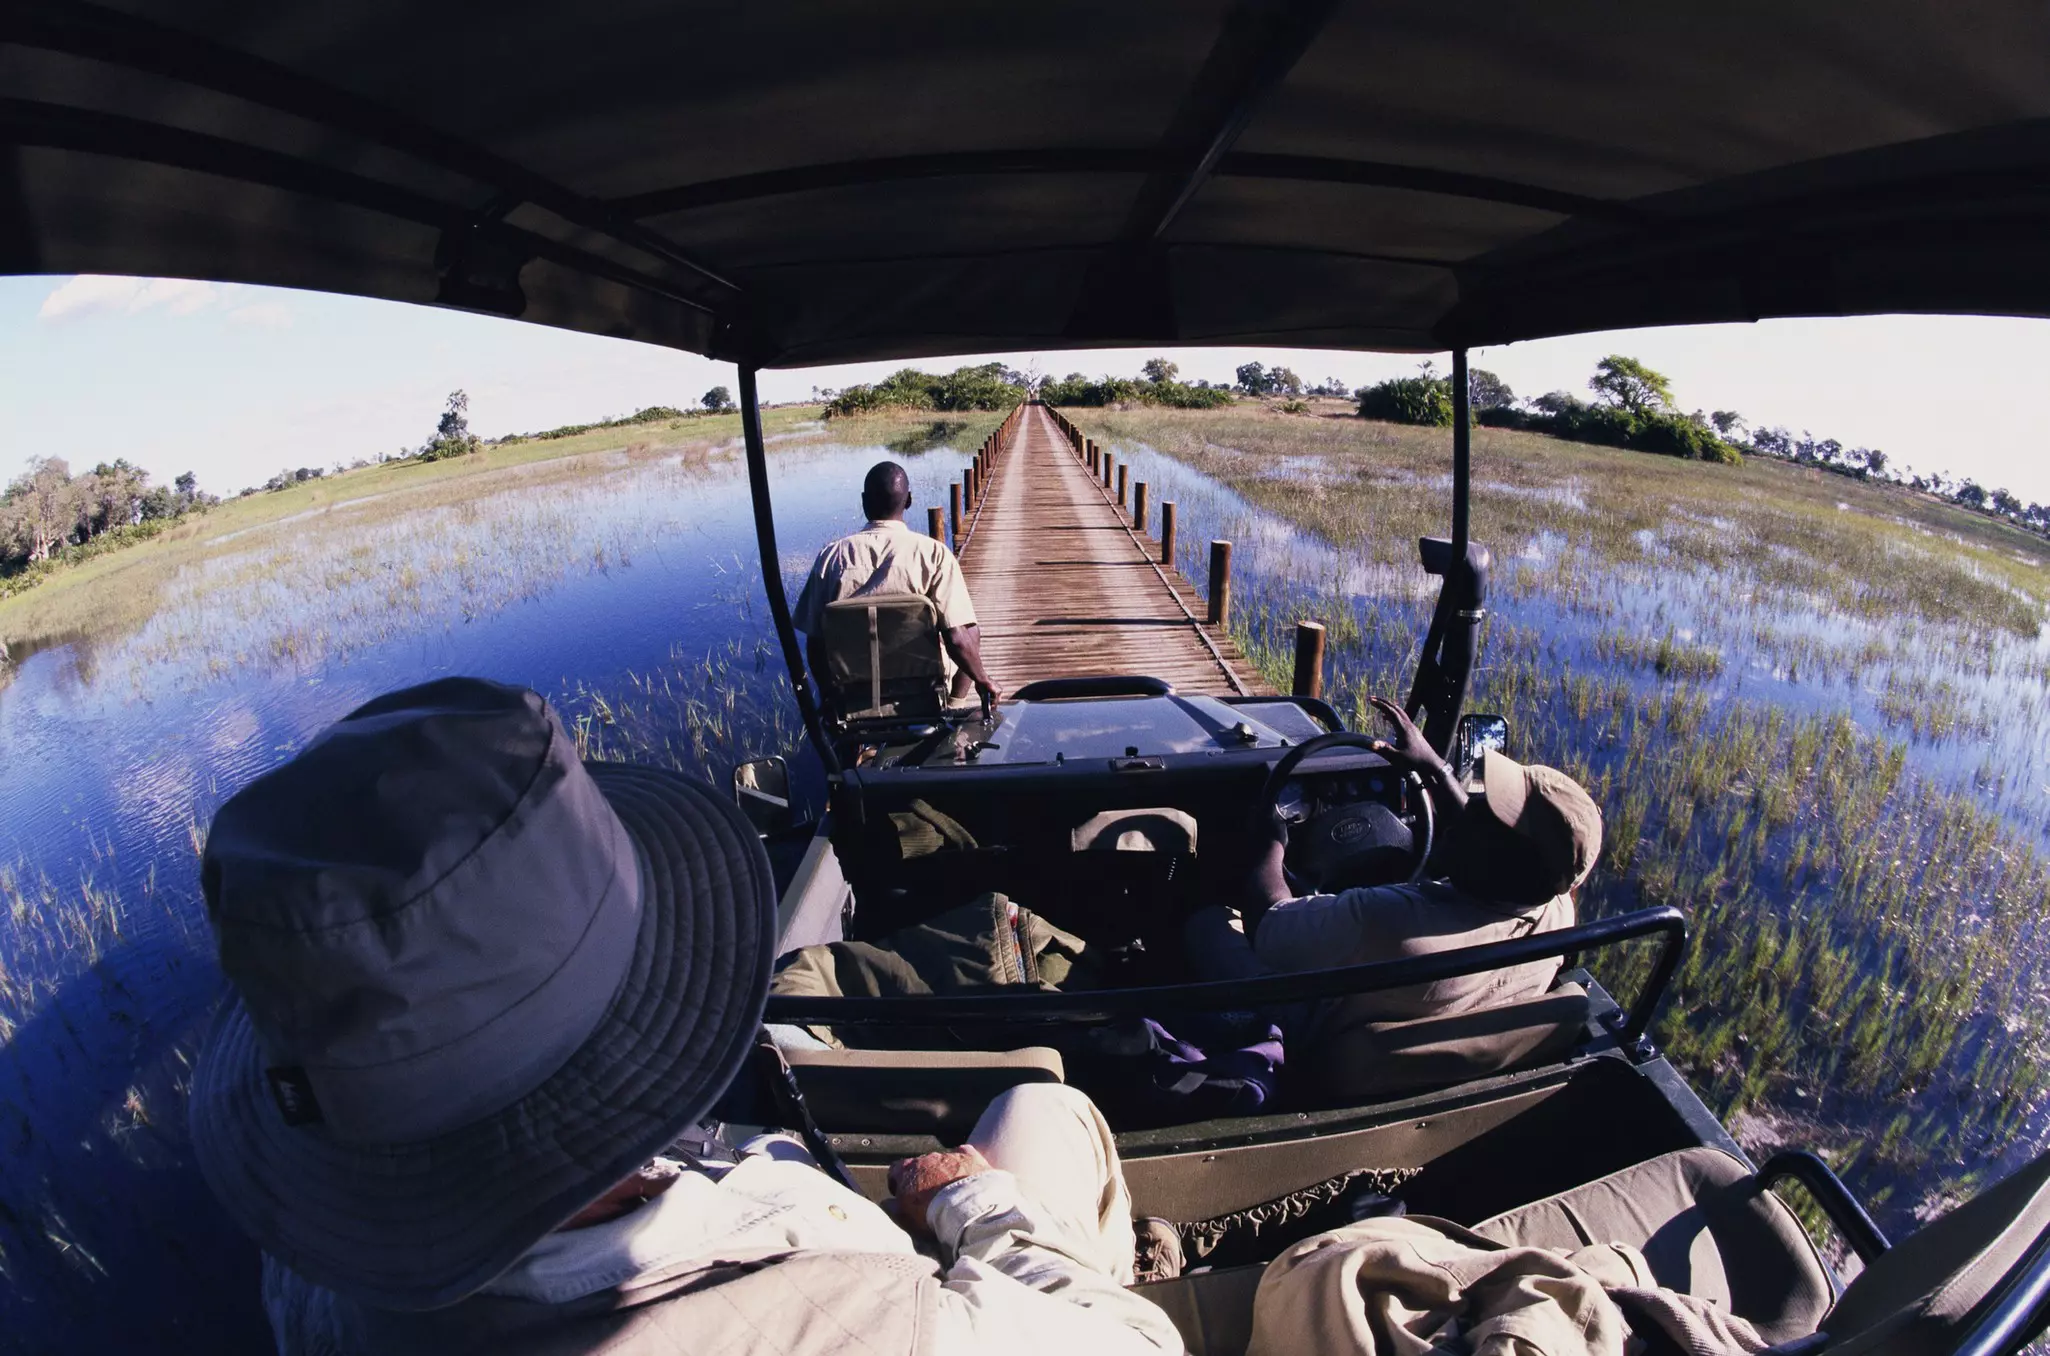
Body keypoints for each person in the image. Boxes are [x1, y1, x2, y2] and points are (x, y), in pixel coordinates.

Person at [188, 676, 1179, 1355]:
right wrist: (970, 1206)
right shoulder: (826, 1297)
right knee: (1042, 1109)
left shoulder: (320, 1289)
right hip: (924, 1280)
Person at [1187, 695, 1602, 1053]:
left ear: (1496, 854)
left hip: (1313, 1029)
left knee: (1206, 922)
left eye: (1487, 811)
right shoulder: (1557, 913)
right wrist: (1435, 769)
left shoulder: (1386, 920)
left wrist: (1271, 841)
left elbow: (1269, 923)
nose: (1471, 804)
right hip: (1416, 1024)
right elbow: (1488, 846)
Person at [793, 459, 1001, 707]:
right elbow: (957, 639)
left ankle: (858, 740)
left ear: (864, 501)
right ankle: (955, 704)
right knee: (970, 631)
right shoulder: (933, 554)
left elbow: (815, 643)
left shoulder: (831, 557)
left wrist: (829, 695)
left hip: (853, 692)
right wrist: (982, 679)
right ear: (909, 500)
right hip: (924, 689)